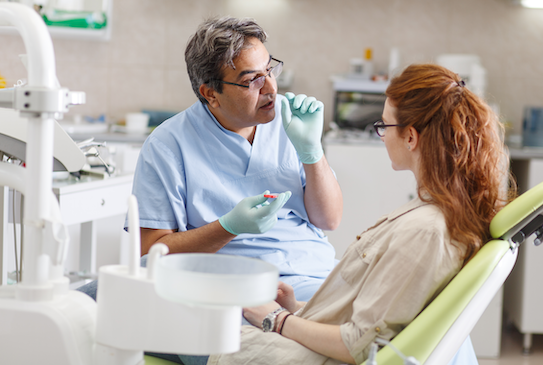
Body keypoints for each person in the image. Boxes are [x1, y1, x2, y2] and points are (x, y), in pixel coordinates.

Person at [188, 63, 510, 365]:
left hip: (322, 356)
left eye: (384, 125)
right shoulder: (435, 212)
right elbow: (375, 315)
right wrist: (298, 308)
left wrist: (277, 319)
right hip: (317, 332)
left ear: (411, 137)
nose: (382, 134)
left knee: (188, 334)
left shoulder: (425, 231)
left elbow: (358, 342)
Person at [77, 16, 343, 304]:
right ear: (210, 94)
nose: (270, 88)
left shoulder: (290, 121)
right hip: (230, 287)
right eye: (252, 79)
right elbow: (151, 254)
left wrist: (312, 153)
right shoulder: (169, 144)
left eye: (270, 70)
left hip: (313, 276)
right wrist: (229, 226)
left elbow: (329, 219)